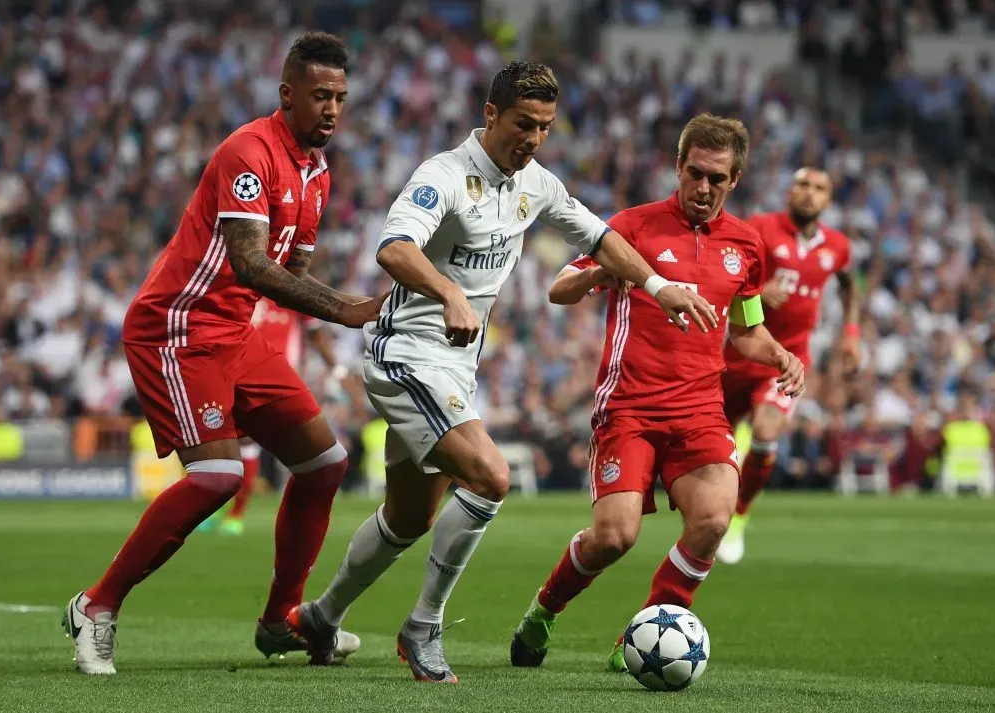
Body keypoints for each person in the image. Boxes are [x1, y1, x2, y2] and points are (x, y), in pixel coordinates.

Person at [285, 61, 717, 684]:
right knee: (491, 476)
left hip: (454, 369)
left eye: (544, 127)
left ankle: (322, 617)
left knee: (408, 517)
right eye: (523, 124)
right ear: (491, 114)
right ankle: (423, 627)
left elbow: (599, 238)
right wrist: (448, 293)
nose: (533, 138)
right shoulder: (443, 176)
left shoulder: (535, 184)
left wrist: (657, 285)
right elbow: (394, 248)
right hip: (406, 355)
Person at [62, 33, 382, 675]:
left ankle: (280, 621)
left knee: (325, 463)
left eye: (341, 98)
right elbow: (250, 264)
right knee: (217, 476)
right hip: (177, 328)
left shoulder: (317, 173)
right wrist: (346, 308)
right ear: (287, 93)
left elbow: (292, 271)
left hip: (235, 332)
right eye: (320, 95)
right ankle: (96, 605)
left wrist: (359, 310)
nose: (331, 109)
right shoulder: (249, 152)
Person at [509, 113, 804, 672]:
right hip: (629, 408)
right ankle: (543, 611)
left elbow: (746, 331)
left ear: (735, 180)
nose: (703, 188)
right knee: (614, 537)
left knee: (713, 520)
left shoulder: (746, 245)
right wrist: (600, 273)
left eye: (717, 178)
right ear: (678, 166)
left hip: (700, 410)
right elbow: (559, 288)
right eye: (695, 173)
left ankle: (644, 633)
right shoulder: (634, 227)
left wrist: (781, 355)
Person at [716, 167, 859, 564]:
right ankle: (710, 509)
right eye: (803, 185)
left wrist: (851, 333)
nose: (809, 193)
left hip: (788, 360)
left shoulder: (837, 246)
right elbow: (724, 274)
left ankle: (738, 516)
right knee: (713, 447)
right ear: (789, 191)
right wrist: (758, 292)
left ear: (828, 199)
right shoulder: (760, 228)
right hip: (740, 354)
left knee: (766, 431)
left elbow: (849, 286)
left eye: (819, 187)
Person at [220, 297, 349, 536]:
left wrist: (337, 371)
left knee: (248, 443)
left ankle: (237, 514)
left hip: (281, 378)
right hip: (238, 372)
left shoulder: (289, 290)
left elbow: (316, 333)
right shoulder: (246, 290)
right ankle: (230, 513)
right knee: (228, 442)